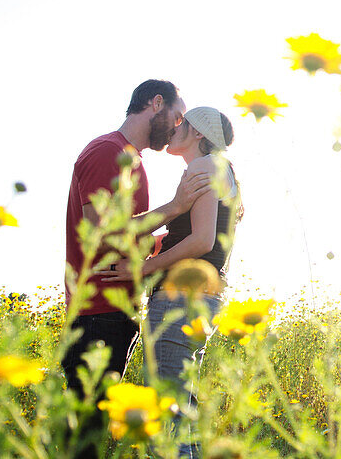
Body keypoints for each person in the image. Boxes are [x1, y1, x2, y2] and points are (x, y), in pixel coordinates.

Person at [62, 79, 210, 459]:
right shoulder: (107, 151)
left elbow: (125, 239)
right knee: (84, 436)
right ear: (155, 103)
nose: (178, 126)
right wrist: (175, 208)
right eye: (177, 116)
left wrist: (172, 246)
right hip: (96, 312)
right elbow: (101, 231)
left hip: (115, 311)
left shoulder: (133, 161)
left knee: (91, 433)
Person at [98, 106, 242, 459]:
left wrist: (142, 270)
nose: (175, 127)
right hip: (201, 297)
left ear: (198, 133)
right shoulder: (220, 171)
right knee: (180, 413)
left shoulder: (203, 167)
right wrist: (162, 242)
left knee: (167, 413)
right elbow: (198, 236)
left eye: (183, 123)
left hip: (181, 298)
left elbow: (202, 241)